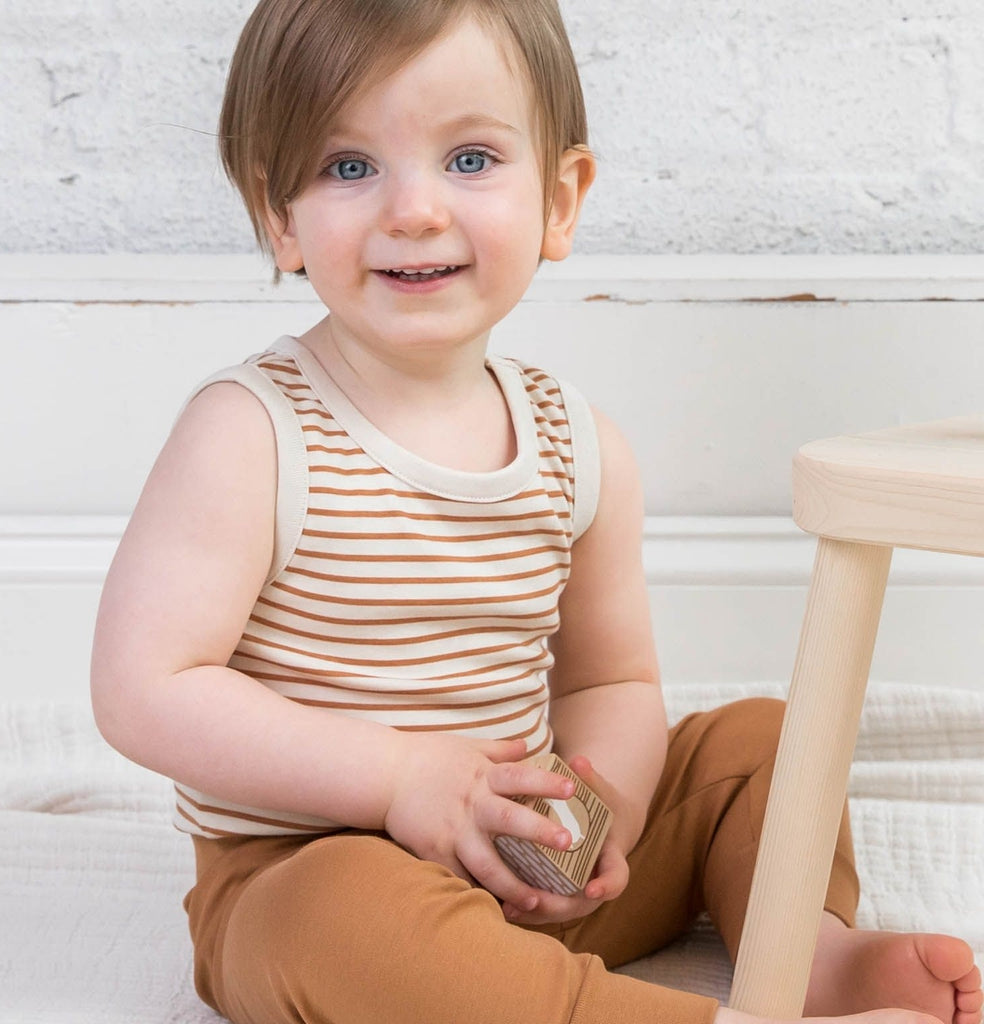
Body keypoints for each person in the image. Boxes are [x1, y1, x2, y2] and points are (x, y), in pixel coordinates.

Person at [90, 2, 982, 1023]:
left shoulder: (575, 443)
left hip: (525, 866)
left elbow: (611, 675)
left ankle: (802, 951)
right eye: (348, 167)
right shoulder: (250, 433)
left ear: (562, 198)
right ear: (278, 213)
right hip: (315, 870)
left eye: (469, 160)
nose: (414, 209)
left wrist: (600, 814)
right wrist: (395, 779)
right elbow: (144, 688)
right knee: (336, 919)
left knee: (763, 740)